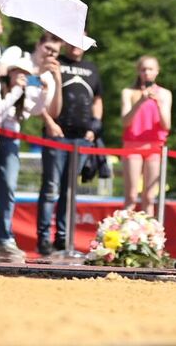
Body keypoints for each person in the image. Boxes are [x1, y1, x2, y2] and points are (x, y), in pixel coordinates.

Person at [0, 47, 45, 260]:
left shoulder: (25, 93)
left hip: (10, 142)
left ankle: (4, 237)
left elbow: (35, 110)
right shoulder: (0, 87)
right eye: (18, 72)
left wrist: (46, 89)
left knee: (8, 189)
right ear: (10, 72)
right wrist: (15, 92)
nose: (22, 77)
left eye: (26, 74)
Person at [36, 36, 101, 254]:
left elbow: (98, 99)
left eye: (79, 40)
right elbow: (37, 91)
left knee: (69, 191)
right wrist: (49, 123)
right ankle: (43, 239)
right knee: (50, 189)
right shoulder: (56, 61)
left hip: (81, 138)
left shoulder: (92, 68)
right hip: (57, 136)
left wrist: (96, 126)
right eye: (71, 39)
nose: (75, 44)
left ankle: (63, 239)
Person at [119, 55, 171, 215]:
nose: (147, 73)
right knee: (131, 196)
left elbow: (167, 125)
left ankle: (149, 235)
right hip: (132, 146)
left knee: (149, 197)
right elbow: (125, 121)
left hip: (154, 147)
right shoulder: (128, 92)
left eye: (150, 69)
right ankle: (126, 232)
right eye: (143, 69)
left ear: (157, 71)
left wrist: (159, 103)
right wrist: (140, 101)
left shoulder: (165, 94)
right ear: (138, 72)